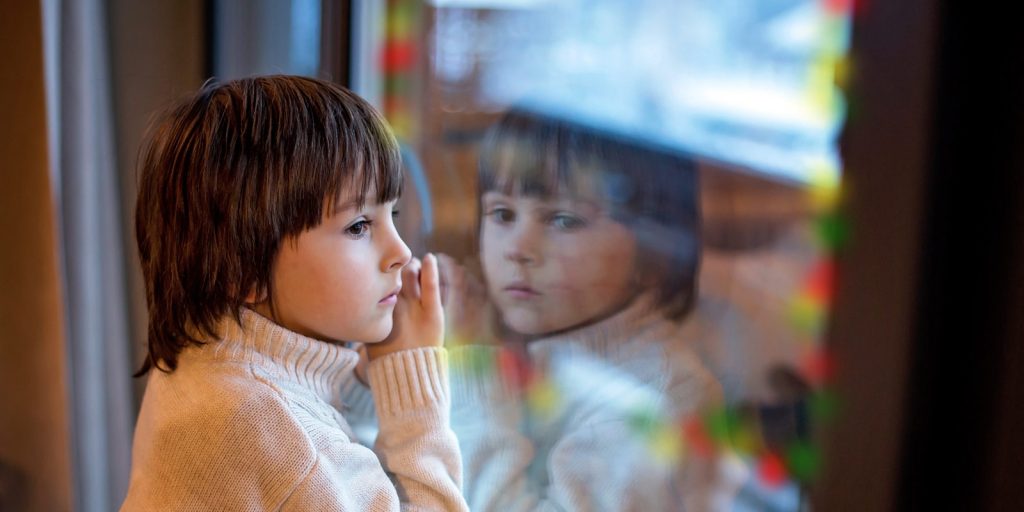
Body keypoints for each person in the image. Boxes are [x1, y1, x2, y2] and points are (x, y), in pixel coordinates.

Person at [121, 76, 468, 511]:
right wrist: (414, 386)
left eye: (391, 213)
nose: (401, 251)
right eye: (359, 226)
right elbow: (316, 454)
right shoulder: (265, 425)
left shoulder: (206, 354)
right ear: (242, 268)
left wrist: (364, 377)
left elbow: (327, 434)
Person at [438, 107, 734, 511]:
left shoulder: (651, 397)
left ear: (655, 251)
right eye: (502, 213)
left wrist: (470, 369)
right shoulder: (543, 348)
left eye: (563, 220)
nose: (519, 249)